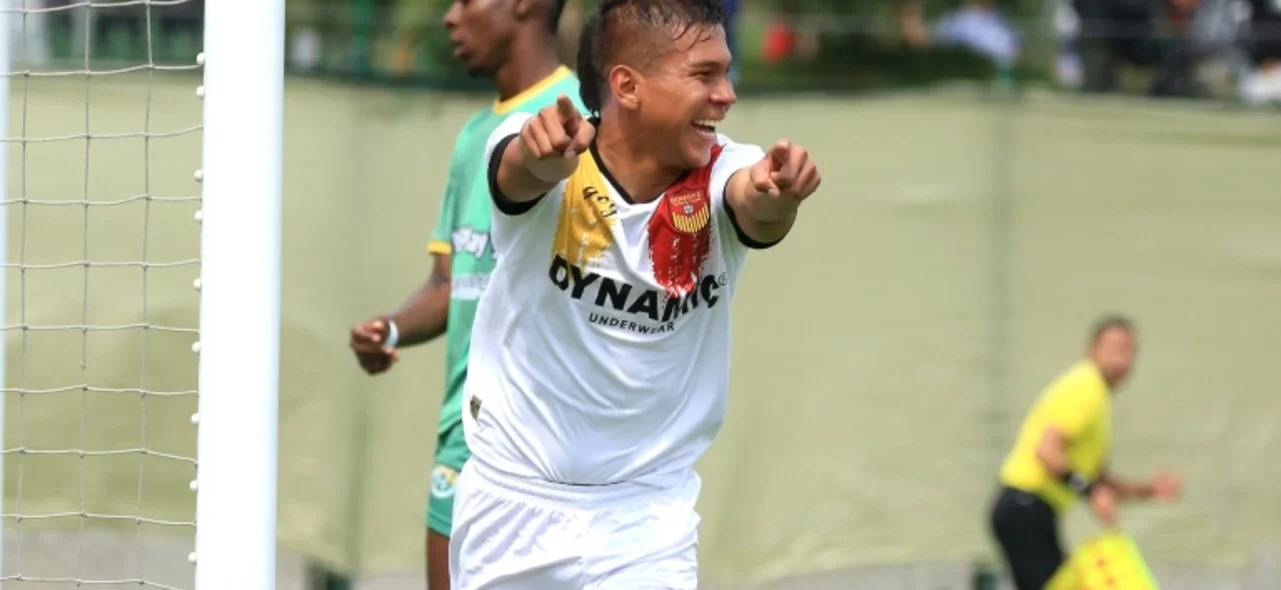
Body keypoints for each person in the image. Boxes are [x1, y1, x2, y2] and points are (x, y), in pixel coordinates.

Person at [445, 1, 822, 588]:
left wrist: (781, 193)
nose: (727, 95)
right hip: (511, 506)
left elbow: (756, 204)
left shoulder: (726, 168)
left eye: (726, 72)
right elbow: (519, 171)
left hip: (647, 521)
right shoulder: (544, 142)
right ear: (627, 85)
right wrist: (539, 156)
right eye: (704, 74)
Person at [347, 1, 580, 588]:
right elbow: (451, 283)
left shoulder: (583, 120)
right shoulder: (474, 136)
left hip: (550, 448)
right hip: (462, 438)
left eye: (467, 0)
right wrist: (392, 328)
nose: (450, 17)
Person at [990, 315, 1183, 590]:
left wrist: (1147, 491)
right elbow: (1047, 450)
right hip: (1024, 507)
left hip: (1031, 512)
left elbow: (1098, 478)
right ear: (1091, 350)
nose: (1122, 359)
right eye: (1114, 348)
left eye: (1129, 351)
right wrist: (1090, 492)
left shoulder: (1098, 398)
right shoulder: (1085, 386)